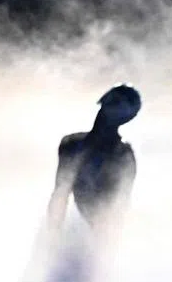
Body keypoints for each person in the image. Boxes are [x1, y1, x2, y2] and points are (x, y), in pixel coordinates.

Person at [45, 83, 141, 244]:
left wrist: (107, 242)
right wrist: (52, 234)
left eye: (114, 106)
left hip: (101, 234)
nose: (105, 113)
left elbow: (120, 204)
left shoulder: (122, 155)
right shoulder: (71, 144)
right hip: (82, 231)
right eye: (109, 103)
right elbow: (60, 193)